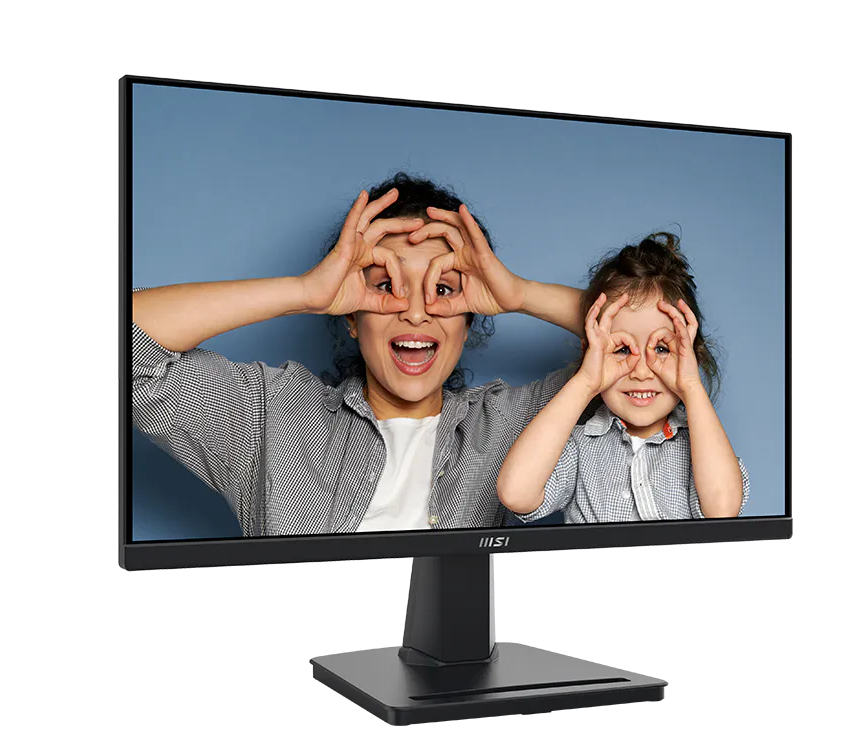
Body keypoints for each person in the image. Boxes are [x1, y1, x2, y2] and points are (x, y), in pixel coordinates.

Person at [132, 173, 584, 536]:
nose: (415, 312)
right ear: (350, 317)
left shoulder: (514, 422)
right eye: (386, 286)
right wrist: (305, 291)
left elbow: (640, 343)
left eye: (442, 290)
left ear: (468, 321)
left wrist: (518, 293)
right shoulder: (271, 415)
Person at [497, 232, 749, 524]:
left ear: (690, 356)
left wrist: (691, 387)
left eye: (662, 348)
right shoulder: (581, 447)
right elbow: (516, 492)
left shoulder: (701, 446)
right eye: (622, 349)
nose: (641, 371)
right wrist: (586, 381)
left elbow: (723, 511)